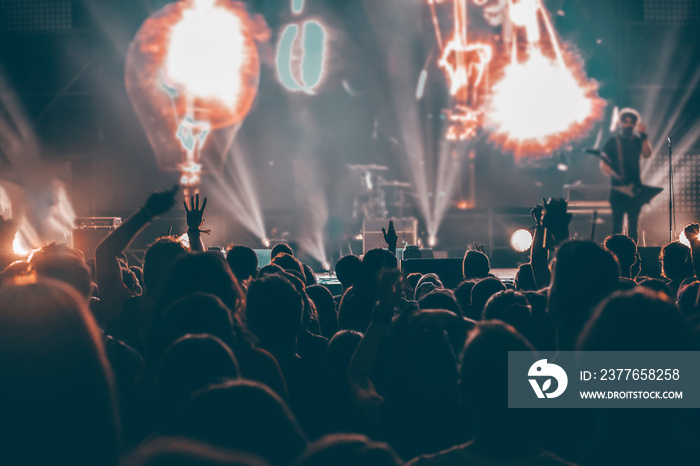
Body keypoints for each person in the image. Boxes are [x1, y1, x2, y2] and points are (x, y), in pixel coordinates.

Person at [599, 108, 653, 242]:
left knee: (633, 226)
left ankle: (633, 255)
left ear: (635, 124)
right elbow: (604, 165)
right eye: (626, 122)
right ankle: (615, 255)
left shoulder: (638, 140)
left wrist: (643, 136)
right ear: (620, 123)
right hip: (618, 189)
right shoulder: (613, 142)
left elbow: (647, 154)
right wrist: (614, 173)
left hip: (635, 189)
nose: (628, 125)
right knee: (617, 226)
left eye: (631, 122)